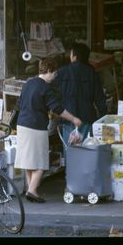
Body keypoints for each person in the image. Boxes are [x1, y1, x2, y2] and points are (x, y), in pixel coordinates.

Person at [14, 58, 82, 203]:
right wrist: (73, 119)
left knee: (28, 160)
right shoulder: (45, 87)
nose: (54, 77)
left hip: (22, 124)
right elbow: (57, 108)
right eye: (54, 74)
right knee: (41, 161)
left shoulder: (28, 84)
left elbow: (19, 104)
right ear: (49, 72)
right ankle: (32, 190)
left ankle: (30, 189)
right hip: (36, 126)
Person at [53, 42, 107, 147]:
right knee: (87, 148)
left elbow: (54, 95)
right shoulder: (92, 73)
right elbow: (100, 98)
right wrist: (103, 116)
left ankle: (69, 163)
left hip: (68, 117)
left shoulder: (62, 72)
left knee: (69, 150)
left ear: (75, 56)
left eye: (71, 54)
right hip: (86, 117)